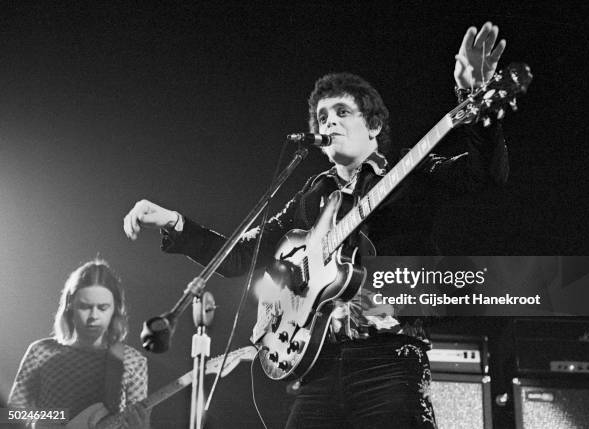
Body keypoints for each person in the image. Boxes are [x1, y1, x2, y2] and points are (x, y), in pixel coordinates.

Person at [123, 22, 507, 429]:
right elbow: (239, 256)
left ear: (374, 127)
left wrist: (474, 102)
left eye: (343, 113)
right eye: (322, 117)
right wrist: (175, 223)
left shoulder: (408, 174)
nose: (329, 123)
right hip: (317, 365)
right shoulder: (309, 196)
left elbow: (485, 175)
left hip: (389, 360)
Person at [8, 259, 149, 429]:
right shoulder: (41, 352)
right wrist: (48, 419)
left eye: (103, 308)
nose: (93, 316)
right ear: (69, 307)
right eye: (85, 306)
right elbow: (12, 414)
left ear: (115, 310)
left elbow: (135, 422)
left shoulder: (132, 361)